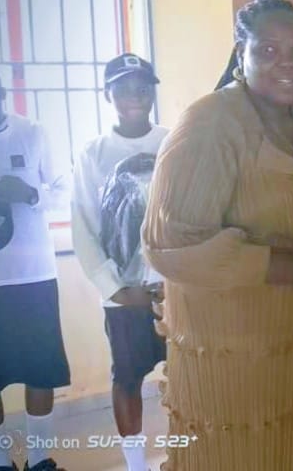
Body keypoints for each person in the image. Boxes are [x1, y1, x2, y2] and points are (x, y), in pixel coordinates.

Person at [141, 0, 293, 470]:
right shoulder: (209, 124)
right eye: (268, 50)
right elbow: (172, 244)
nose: (287, 63)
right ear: (239, 55)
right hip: (234, 365)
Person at [71, 54, 168, 471]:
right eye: (124, 88)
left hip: (175, 288)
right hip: (124, 294)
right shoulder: (94, 153)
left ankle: (187, 452)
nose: (135, 96)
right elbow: (84, 225)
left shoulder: (174, 141)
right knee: (128, 377)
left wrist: (180, 280)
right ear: (107, 94)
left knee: (188, 373)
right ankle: (136, 464)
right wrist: (116, 289)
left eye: (143, 87)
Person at [0, 59, 71, 471]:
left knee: (41, 370)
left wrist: (30, 194)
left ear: (2, 97)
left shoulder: (32, 133)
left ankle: (38, 460)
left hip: (33, 276)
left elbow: (64, 191)